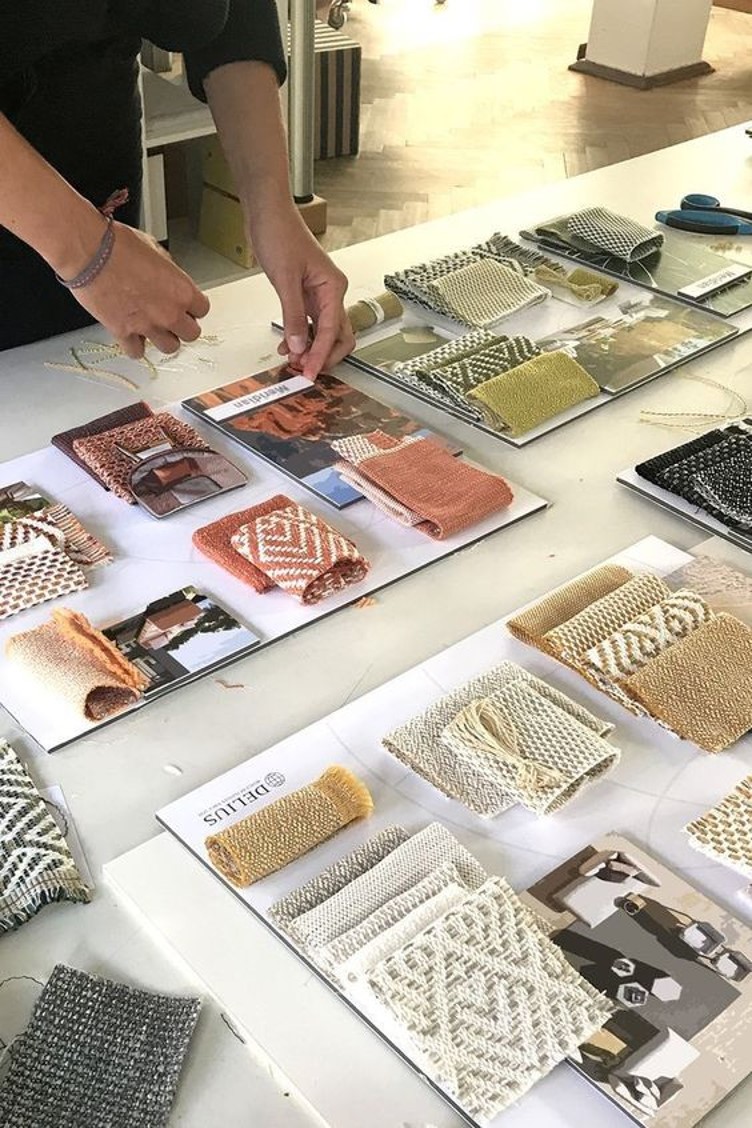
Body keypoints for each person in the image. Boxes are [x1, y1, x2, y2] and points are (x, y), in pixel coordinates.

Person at [0, 1, 355, 378]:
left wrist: (272, 208)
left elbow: (238, 16)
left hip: (100, 149)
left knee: (86, 382)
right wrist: (83, 249)